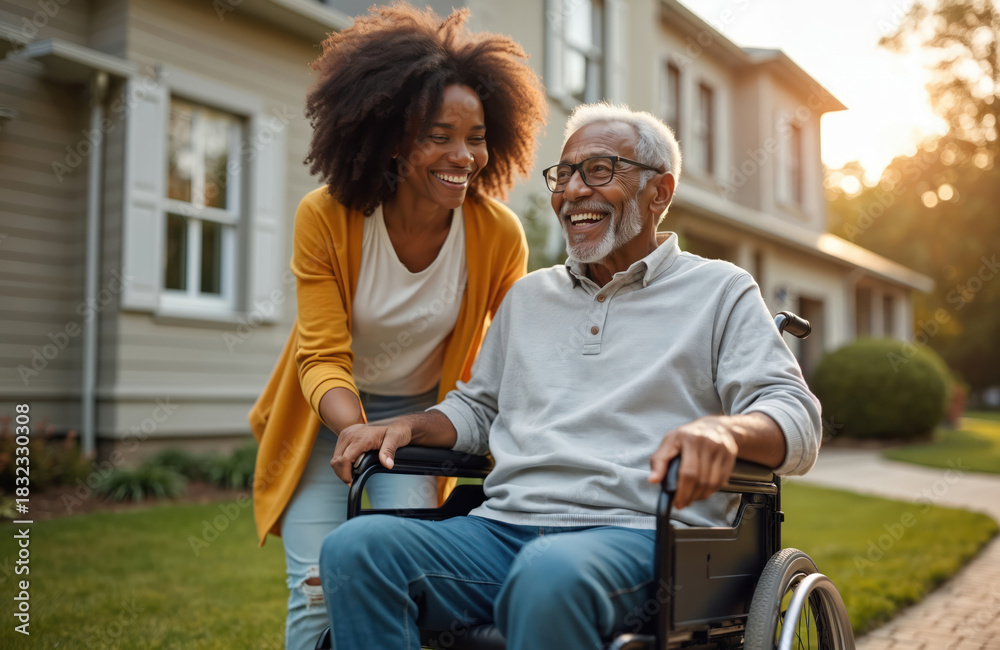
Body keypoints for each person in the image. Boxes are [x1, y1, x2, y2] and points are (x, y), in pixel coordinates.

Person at [318, 102, 823, 650]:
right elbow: (480, 410)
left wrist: (724, 432)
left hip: (643, 537)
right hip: (502, 529)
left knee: (548, 573)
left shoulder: (721, 291)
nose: (573, 191)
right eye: (564, 175)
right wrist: (409, 427)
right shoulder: (529, 297)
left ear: (660, 192)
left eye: (600, 171)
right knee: (356, 550)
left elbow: (795, 417)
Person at [246, 4, 547, 648]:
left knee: (400, 580)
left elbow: (516, 354)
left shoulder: (496, 236)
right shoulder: (326, 217)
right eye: (439, 134)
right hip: (326, 420)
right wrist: (354, 429)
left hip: (419, 422)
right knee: (315, 590)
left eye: (476, 136)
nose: (463, 156)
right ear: (390, 136)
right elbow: (321, 355)